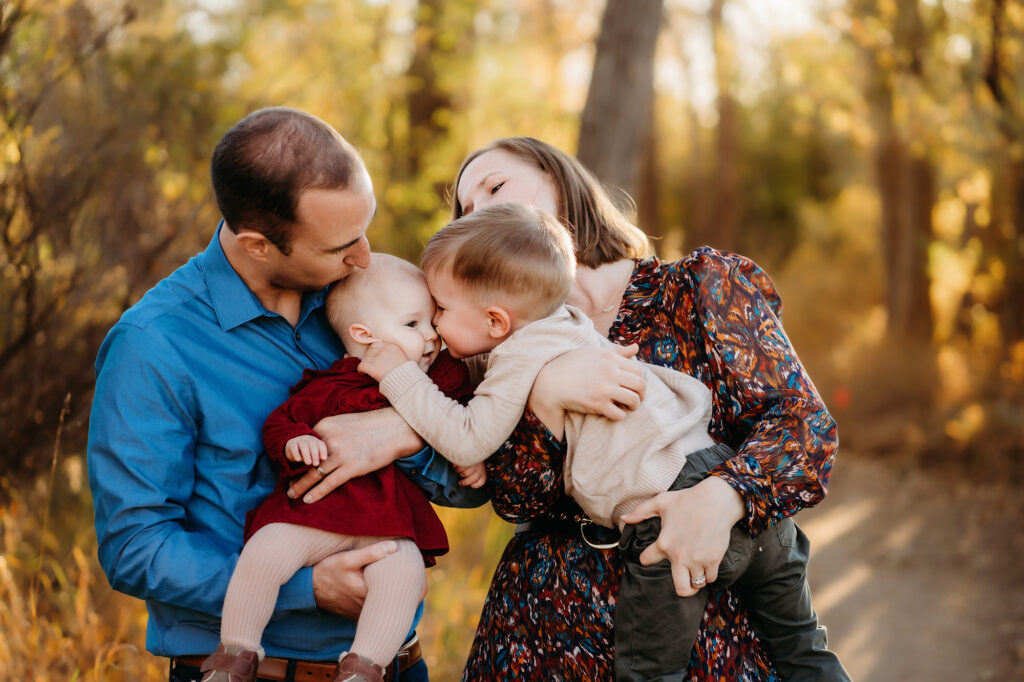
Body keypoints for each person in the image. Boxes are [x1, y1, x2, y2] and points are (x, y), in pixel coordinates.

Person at [358, 202, 846, 681]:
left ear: (496, 321)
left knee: (649, 672)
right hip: (738, 491)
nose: (435, 326)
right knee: (802, 647)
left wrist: (399, 376)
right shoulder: (571, 326)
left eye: (439, 309)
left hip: (665, 516)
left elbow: (466, 438)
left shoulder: (517, 356)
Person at [86, 107, 485, 682]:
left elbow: (474, 478)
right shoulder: (155, 345)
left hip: (399, 666)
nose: (364, 258)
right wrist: (307, 588)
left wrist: (404, 435)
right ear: (257, 245)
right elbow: (135, 548)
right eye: (339, 247)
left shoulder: (373, 306)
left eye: (363, 231)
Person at [201, 254, 482, 682]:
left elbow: (466, 415)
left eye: (432, 323)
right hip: (317, 514)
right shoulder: (330, 383)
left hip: (386, 519)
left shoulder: (438, 379)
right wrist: (296, 441)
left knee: (404, 573)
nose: (431, 337)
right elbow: (283, 421)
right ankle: (237, 652)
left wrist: (470, 451)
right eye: (413, 325)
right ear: (363, 335)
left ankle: (365, 666)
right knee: (263, 551)